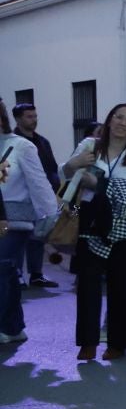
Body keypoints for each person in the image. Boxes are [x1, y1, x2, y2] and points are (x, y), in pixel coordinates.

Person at [64, 102, 126, 360]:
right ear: (110, 119)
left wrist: (99, 182)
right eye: (119, 117)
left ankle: (118, 343)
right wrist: (74, 163)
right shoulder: (89, 145)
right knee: (88, 283)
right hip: (87, 217)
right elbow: (66, 175)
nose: (123, 123)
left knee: (124, 285)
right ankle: (88, 342)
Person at [0, 106, 61, 344]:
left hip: (15, 221)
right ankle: (13, 327)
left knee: (2, 270)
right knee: (8, 273)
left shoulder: (22, 146)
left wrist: (50, 222)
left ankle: (7, 325)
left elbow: (40, 183)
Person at [10, 102, 61, 289]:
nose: (34, 120)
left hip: (42, 196)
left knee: (38, 236)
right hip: (21, 196)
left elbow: (51, 168)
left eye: (35, 116)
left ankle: (36, 274)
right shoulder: (13, 142)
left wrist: (54, 189)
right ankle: (15, 273)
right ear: (18, 119)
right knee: (18, 236)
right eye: (29, 116)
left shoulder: (42, 142)